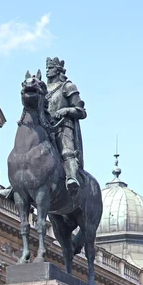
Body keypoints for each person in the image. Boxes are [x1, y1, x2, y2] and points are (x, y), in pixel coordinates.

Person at [45, 57, 86, 194]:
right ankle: (14, 187)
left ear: (58, 70)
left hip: (63, 127)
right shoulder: (43, 89)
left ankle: (72, 178)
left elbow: (81, 111)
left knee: (66, 152)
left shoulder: (68, 86)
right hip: (45, 127)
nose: (47, 71)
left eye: (50, 68)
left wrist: (67, 110)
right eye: (47, 68)